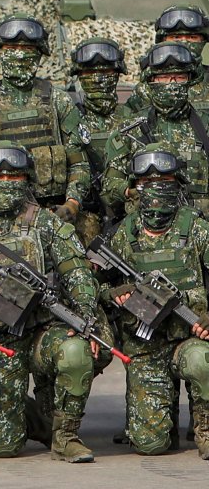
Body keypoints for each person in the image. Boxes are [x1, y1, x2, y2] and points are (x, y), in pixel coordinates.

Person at [0, 145, 109, 461]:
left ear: (26, 179)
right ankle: (30, 415)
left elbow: (78, 275)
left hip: (40, 332)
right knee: (3, 447)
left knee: (74, 352)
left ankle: (66, 436)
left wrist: (84, 316)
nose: (6, 181)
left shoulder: (46, 224)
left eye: (14, 175)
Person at [94, 148, 209, 458]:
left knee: (203, 361)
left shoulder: (196, 229)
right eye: (147, 182)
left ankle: (205, 428)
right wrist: (115, 293)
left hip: (189, 340)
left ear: (178, 183)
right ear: (136, 187)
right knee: (151, 445)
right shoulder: (123, 235)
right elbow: (98, 285)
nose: (156, 188)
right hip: (146, 347)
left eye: (165, 181)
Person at [0, 17, 91, 222]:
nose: (20, 54)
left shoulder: (57, 101)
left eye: (28, 49)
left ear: (39, 53)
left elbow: (80, 164)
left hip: (51, 214)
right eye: (12, 47)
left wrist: (72, 204)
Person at [102, 44, 209, 215]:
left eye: (179, 77)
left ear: (190, 79)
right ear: (151, 81)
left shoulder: (205, 126)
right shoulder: (130, 131)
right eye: (164, 77)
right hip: (148, 231)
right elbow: (109, 187)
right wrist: (131, 191)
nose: (171, 84)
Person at [70, 39, 128, 239]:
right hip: (82, 220)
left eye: (106, 72)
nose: (97, 79)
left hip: (127, 218)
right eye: (88, 73)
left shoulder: (134, 117)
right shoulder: (69, 118)